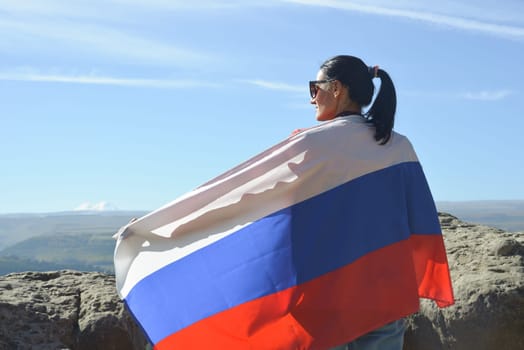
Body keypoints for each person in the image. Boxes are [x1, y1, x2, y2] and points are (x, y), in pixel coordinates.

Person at [305, 55, 449, 350]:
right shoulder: (398, 147)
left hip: (326, 295)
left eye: (314, 88)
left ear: (336, 88)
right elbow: (418, 219)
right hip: (384, 295)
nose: (312, 99)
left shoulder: (307, 146)